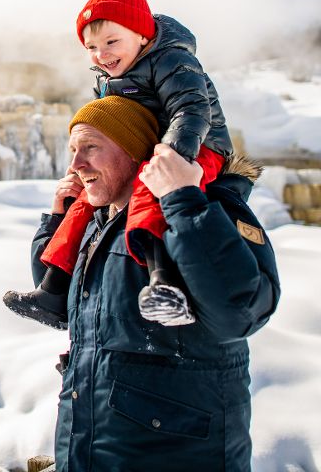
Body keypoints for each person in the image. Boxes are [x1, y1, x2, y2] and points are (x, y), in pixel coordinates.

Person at [26, 96, 279, 471]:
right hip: (90, 447)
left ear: (134, 151)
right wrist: (56, 220)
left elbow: (240, 312)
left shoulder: (206, 207)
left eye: (91, 148)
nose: (76, 165)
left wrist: (183, 200)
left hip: (174, 455)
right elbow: (62, 305)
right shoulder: (100, 223)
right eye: (74, 151)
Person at [4, 0, 233, 328]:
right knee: (86, 202)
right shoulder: (108, 78)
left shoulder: (171, 59)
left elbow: (191, 110)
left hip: (199, 147)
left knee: (148, 191)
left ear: (143, 36)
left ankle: (163, 283)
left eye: (112, 42)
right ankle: (54, 289)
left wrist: (172, 156)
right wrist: (88, 163)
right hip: (150, 149)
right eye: (92, 47)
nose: (102, 54)